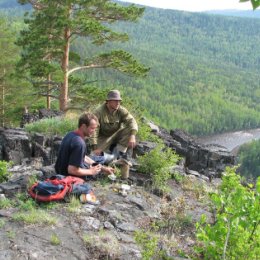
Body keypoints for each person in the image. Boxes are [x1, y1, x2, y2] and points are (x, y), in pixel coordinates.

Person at [55, 112, 114, 179]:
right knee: (98, 163)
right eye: (92, 128)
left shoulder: (70, 134)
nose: (94, 131)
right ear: (83, 126)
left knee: (96, 160)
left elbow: (82, 157)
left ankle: (104, 166)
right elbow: (71, 170)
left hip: (60, 170)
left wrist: (103, 168)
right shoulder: (79, 143)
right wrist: (91, 171)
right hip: (68, 176)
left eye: (95, 128)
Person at [91, 89, 138, 161]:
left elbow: (131, 121)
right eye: (116, 100)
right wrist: (94, 146)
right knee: (96, 156)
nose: (118, 103)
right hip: (103, 137)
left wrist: (133, 135)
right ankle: (109, 159)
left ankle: (117, 156)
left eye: (119, 101)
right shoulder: (99, 112)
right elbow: (94, 130)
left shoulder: (121, 110)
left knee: (130, 130)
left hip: (117, 133)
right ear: (109, 101)